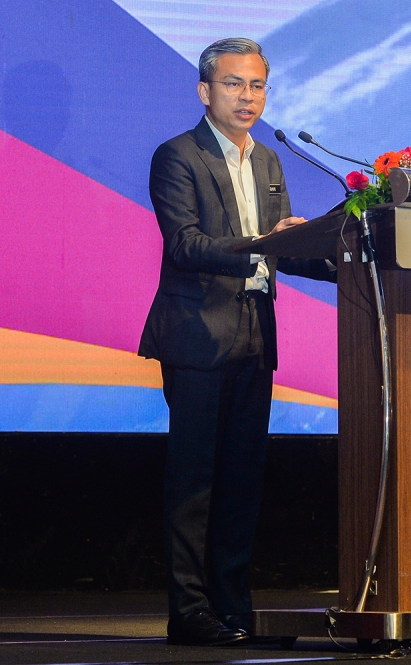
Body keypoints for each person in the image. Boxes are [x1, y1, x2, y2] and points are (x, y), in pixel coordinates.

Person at [138, 38, 335, 646]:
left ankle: (233, 607)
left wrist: (339, 254)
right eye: (233, 84)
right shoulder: (177, 156)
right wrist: (263, 242)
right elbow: (186, 246)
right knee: (195, 481)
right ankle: (190, 611)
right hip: (197, 337)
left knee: (243, 480)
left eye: (256, 86)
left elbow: (276, 249)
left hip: (253, 335)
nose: (247, 97)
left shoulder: (270, 162)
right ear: (205, 91)